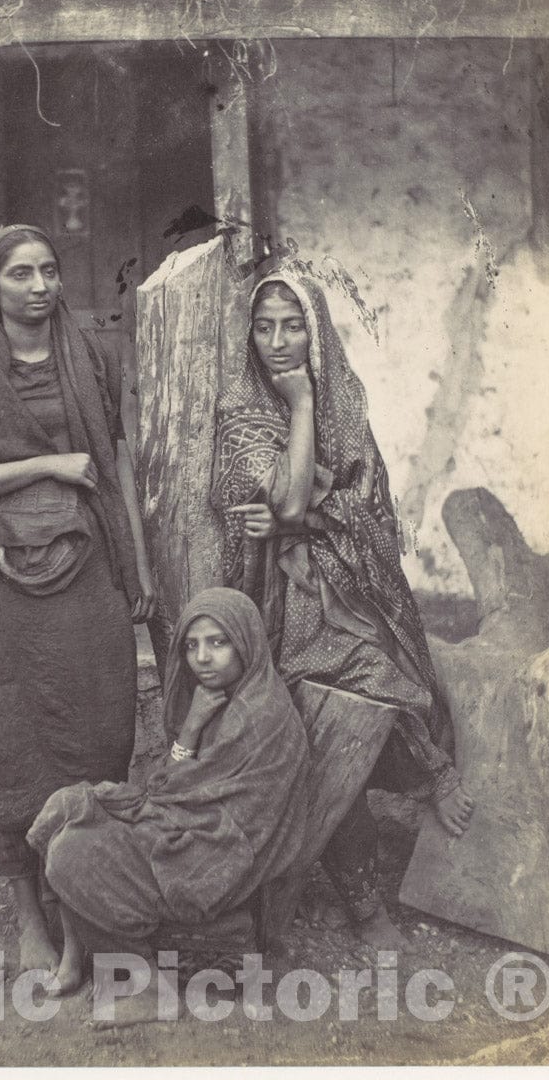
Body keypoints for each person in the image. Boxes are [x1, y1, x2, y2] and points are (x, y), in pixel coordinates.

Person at [212, 264, 474, 951]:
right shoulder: (243, 410)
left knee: (375, 673)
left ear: (316, 329)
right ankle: (366, 895)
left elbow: (368, 505)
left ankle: (427, 779)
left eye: (293, 325)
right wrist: (298, 410)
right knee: (325, 713)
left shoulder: (346, 401)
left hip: (349, 584)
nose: (278, 341)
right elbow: (283, 501)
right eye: (264, 327)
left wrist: (303, 518)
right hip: (272, 601)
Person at [0, 224, 155, 979]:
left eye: (50, 271)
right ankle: (31, 918)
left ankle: (85, 911)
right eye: (21, 274)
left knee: (95, 733)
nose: (40, 286)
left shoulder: (88, 357)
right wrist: (47, 463)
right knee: (8, 743)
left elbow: (114, 463)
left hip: (85, 579)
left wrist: (137, 564)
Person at [27, 587, 309, 1012]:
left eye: (218, 642)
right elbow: (177, 787)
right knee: (70, 806)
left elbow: (203, 801)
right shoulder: (222, 700)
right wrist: (192, 727)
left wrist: (188, 737)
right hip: (191, 824)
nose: (203, 657)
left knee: (72, 851)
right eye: (192, 645)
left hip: (218, 855)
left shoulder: (260, 715)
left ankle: (147, 989)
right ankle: (73, 954)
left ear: (247, 642)